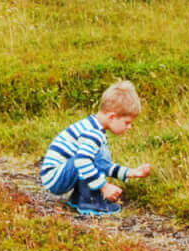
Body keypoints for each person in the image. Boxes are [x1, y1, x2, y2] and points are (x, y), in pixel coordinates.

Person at [39, 80, 151, 216]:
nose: (129, 127)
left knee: (96, 156)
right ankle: (91, 202)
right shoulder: (93, 133)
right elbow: (82, 162)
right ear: (112, 117)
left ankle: (78, 198)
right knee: (88, 158)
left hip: (59, 174)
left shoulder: (94, 127)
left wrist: (131, 172)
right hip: (55, 177)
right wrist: (104, 187)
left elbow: (103, 165)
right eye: (127, 122)